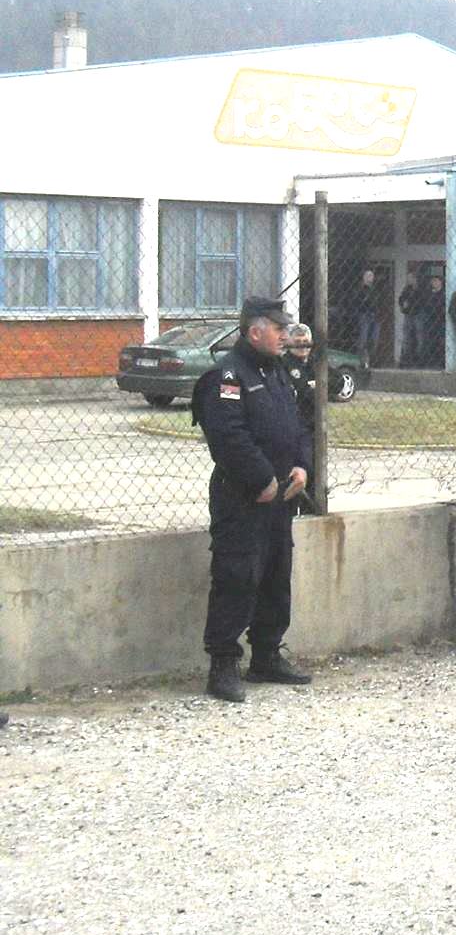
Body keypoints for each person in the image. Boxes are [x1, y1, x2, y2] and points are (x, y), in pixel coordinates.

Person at [195, 296, 313, 703]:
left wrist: (301, 466)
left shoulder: (277, 372)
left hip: (282, 494)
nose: (286, 336)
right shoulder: (227, 376)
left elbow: (298, 425)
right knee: (237, 577)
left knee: (276, 576)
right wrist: (261, 478)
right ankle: (223, 665)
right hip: (242, 496)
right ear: (255, 331)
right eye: (278, 329)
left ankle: (266, 654)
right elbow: (228, 437)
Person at [281, 322, 318, 430]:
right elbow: (303, 392)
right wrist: (320, 386)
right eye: (297, 342)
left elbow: (339, 382)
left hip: (316, 422)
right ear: (289, 343)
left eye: (305, 341)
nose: (302, 346)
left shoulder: (316, 362)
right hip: (293, 422)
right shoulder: (283, 363)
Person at [347, 268, 383, 363]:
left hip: (375, 315)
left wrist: (378, 311)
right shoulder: (359, 288)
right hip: (364, 315)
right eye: (368, 276)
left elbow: (378, 301)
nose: (370, 278)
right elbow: (355, 301)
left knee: (374, 339)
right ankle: (361, 360)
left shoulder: (375, 289)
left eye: (371, 276)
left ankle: (371, 360)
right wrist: (364, 302)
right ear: (363, 277)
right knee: (363, 338)